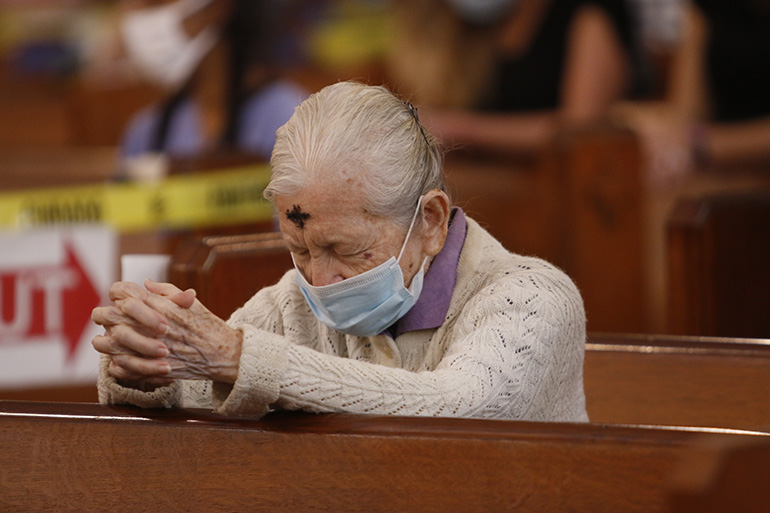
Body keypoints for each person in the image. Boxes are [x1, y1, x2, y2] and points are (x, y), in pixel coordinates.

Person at [91, 81, 588, 421]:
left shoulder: (534, 297)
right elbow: (196, 393)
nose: (319, 281)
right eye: (300, 250)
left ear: (431, 222)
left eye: (343, 248)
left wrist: (239, 357)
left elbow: (464, 405)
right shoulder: (289, 305)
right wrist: (143, 365)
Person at [401, 0, 648, 155]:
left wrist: (459, 129)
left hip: (573, 202)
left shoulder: (588, 13)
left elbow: (580, 129)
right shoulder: (486, 22)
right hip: (502, 196)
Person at [118, 0, 307, 168]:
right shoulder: (146, 132)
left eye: (156, 3)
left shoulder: (289, 119)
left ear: (217, 7)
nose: (139, 19)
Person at [614, 0, 770, 187]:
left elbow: (691, 140)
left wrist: (702, 145)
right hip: (724, 181)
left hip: (734, 168)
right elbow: (686, 114)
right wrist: (652, 130)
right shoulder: (706, 9)